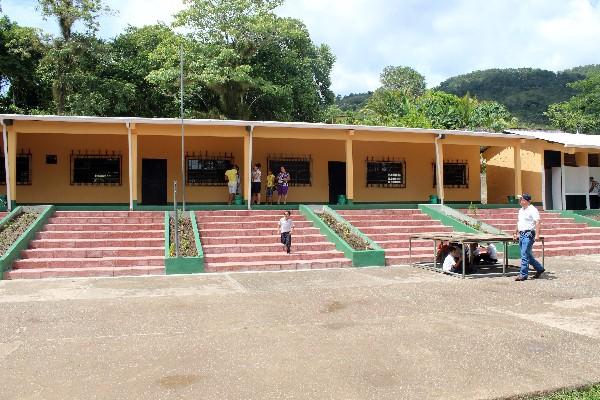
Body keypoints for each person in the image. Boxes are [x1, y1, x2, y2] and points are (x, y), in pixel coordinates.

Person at [513, 193, 545, 281]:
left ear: (528, 201)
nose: (521, 202)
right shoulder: (521, 210)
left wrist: (537, 235)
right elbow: (519, 222)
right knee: (527, 255)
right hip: (522, 234)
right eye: (520, 200)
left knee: (524, 255)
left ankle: (523, 275)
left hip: (529, 234)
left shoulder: (533, 210)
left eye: (523, 200)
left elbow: (537, 222)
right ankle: (539, 268)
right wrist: (515, 232)